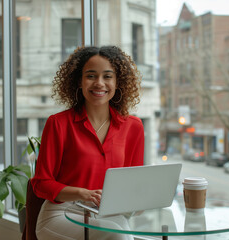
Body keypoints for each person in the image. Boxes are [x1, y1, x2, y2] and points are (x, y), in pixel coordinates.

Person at [31, 45, 145, 240]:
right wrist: (81, 193)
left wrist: (139, 200)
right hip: (62, 213)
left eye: (108, 76)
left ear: (118, 83)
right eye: (91, 76)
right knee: (118, 237)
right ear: (79, 81)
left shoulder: (133, 127)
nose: (99, 83)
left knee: (125, 235)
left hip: (107, 212)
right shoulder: (58, 123)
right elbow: (41, 184)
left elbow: (131, 183)